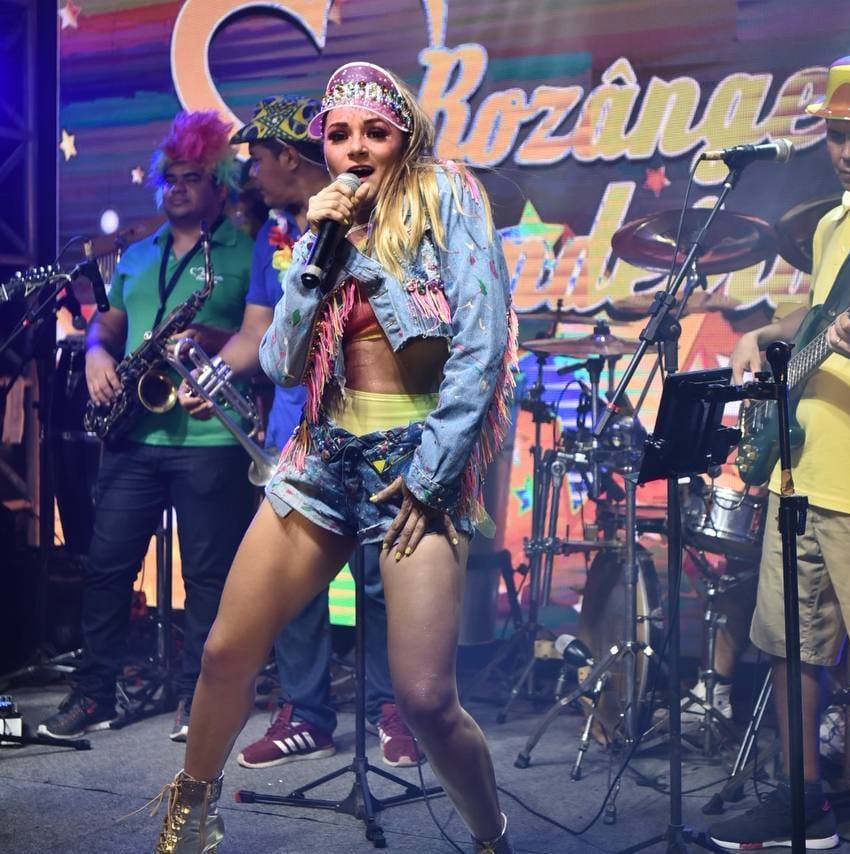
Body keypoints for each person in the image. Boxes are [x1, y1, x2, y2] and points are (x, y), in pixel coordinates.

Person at [153, 61, 518, 854]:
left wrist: (432, 477)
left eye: (374, 133)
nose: (354, 148)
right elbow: (282, 362)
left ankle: (491, 838)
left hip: (413, 462)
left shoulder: (445, 194)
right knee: (225, 651)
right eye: (340, 134)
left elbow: (482, 343)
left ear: (405, 139)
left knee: (424, 698)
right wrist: (313, 257)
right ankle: (189, 816)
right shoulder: (315, 230)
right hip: (322, 457)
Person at [178, 95, 422, 769]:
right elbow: (258, 334)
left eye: (258, 158)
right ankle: (307, 714)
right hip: (298, 437)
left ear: (289, 156)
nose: (252, 174)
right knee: (295, 589)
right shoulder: (276, 236)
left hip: (381, 434)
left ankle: (395, 708)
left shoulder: (391, 221)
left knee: (380, 581)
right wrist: (209, 377)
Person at [38, 111, 256, 742]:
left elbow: (262, 336)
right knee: (107, 567)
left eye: (193, 177)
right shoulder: (136, 255)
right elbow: (106, 325)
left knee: (208, 577)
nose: (178, 188)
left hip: (210, 437)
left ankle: (197, 698)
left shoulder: (247, 253)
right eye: (171, 178)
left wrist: (214, 340)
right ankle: (94, 693)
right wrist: (98, 356)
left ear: (218, 185)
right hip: (133, 436)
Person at [708, 54, 850, 850]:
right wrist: (764, 331)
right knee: (790, 646)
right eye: (836, 134)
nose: (846, 151)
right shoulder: (833, 226)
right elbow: (819, 316)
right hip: (801, 475)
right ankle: (804, 804)